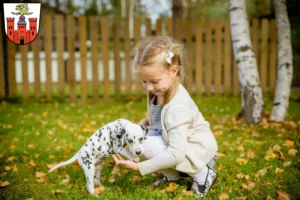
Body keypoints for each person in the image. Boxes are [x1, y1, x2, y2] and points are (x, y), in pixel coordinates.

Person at [113, 36, 218, 197]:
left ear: (173, 71)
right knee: (140, 139)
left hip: (195, 149)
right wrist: (140, 128)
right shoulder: (157, 91)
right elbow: (154, 121)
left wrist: (141, 167)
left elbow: (177, 153)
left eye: (154, 81)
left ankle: (202, 174)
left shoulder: (177, 107)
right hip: (171, 139)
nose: (148, 87)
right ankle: (173, 177)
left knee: (144, 144)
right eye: (144, 81)